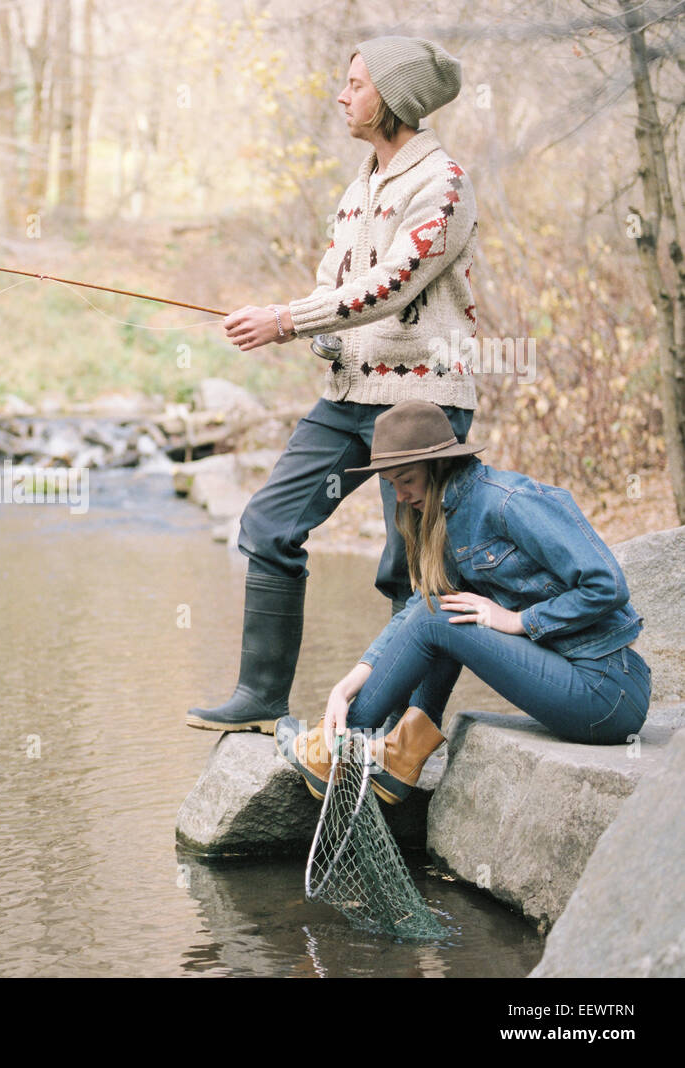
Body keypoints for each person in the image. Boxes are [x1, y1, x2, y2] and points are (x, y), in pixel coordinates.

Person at [188, 36, 481, 733]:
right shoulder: (360, 186)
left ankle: (409, 727)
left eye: (356, 84)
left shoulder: (443, 183)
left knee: (411, 571)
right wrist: (312, 330)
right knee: (267, 525)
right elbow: (338, 288)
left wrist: (286, 320)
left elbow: (391, 286)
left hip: (420, 405)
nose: (343, 96)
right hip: (347, 401)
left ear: (396, 99)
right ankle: (261, 699)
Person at [276, 400, 652, 804]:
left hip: (606, 690)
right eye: (390, 483)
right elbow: (417, 611)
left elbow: (607, 585)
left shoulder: (508, 501)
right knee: (439, 609)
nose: (400, 496)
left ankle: (330, 749)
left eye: (406, 480)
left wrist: (519, 620)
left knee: (438, 616)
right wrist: (346, 687)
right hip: (573, 677)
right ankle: (399, 755)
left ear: (439, 467)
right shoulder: (447, 516)